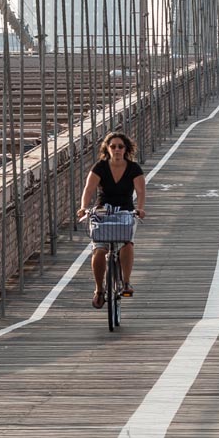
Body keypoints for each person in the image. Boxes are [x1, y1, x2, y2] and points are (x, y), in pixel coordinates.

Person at [77, 130, 146, 307]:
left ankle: (126, 282)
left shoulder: (133, 168)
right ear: (107, 149)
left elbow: (140, 191)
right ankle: (99, 289)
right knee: (99, 249)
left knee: (127, 243)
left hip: (126, 212)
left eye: (120, 147)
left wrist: (139, 209)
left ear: (126, 149)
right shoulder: (100, 167)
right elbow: (89, 189)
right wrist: (84, 207)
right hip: (103, 211)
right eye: (113, 146)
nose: (116, 150)